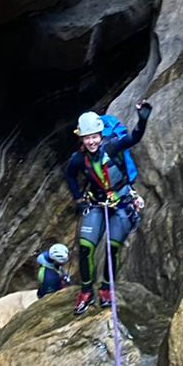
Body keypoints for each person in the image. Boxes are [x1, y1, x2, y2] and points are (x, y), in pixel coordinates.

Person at [66, 101, 152, 314]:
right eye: (87, 138)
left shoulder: (111, 147)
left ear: (100, 135)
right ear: (82, 139)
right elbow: (69, 175)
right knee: (86, 247)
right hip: (97, 203)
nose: (91, 141)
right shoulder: (78, 159)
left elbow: (133, 138)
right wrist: (79, 200)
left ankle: (106, 288)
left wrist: (142, 120)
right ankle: (86, 291)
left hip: (121, 203)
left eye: (94, 136)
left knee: (112, 248)